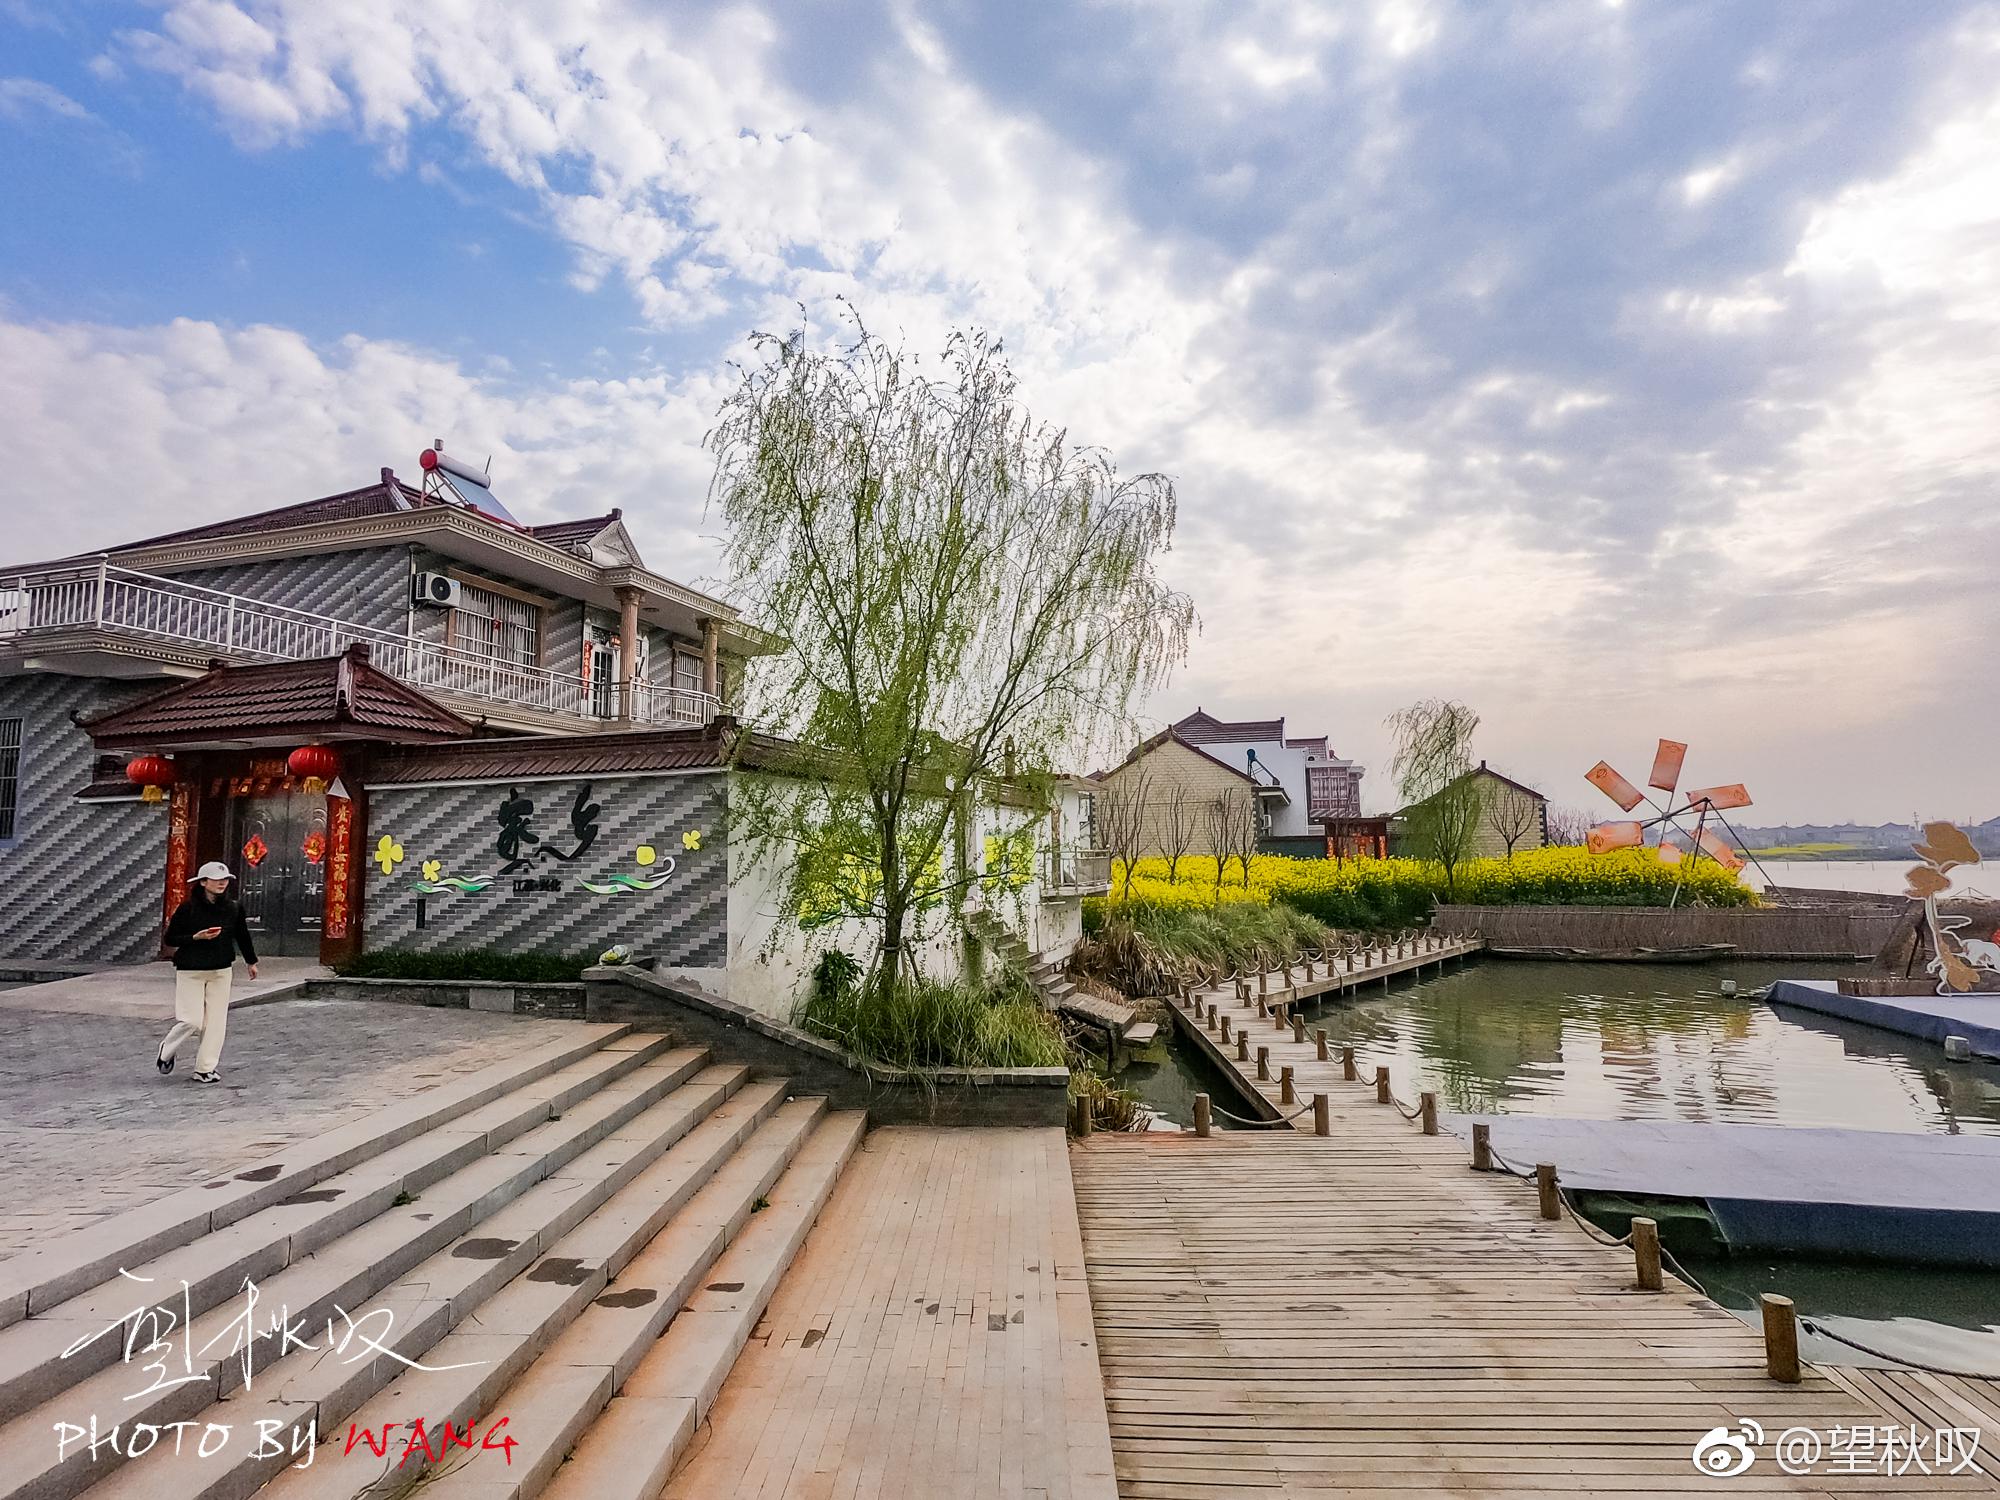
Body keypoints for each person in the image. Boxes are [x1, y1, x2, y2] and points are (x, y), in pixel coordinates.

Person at [157, 861, 259, 1083]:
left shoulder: (234, 908)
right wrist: (196, 937)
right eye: (215, 879)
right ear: (203, 882)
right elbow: (170, 938)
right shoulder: (187, 909)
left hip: (221, 969)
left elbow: (242, 935)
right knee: (192, 1020)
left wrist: (251, 961)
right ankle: (167, 1049)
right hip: (190, 969)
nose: (221, 883)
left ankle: (205, 1068)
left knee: (215, 1022)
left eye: (225, 879)